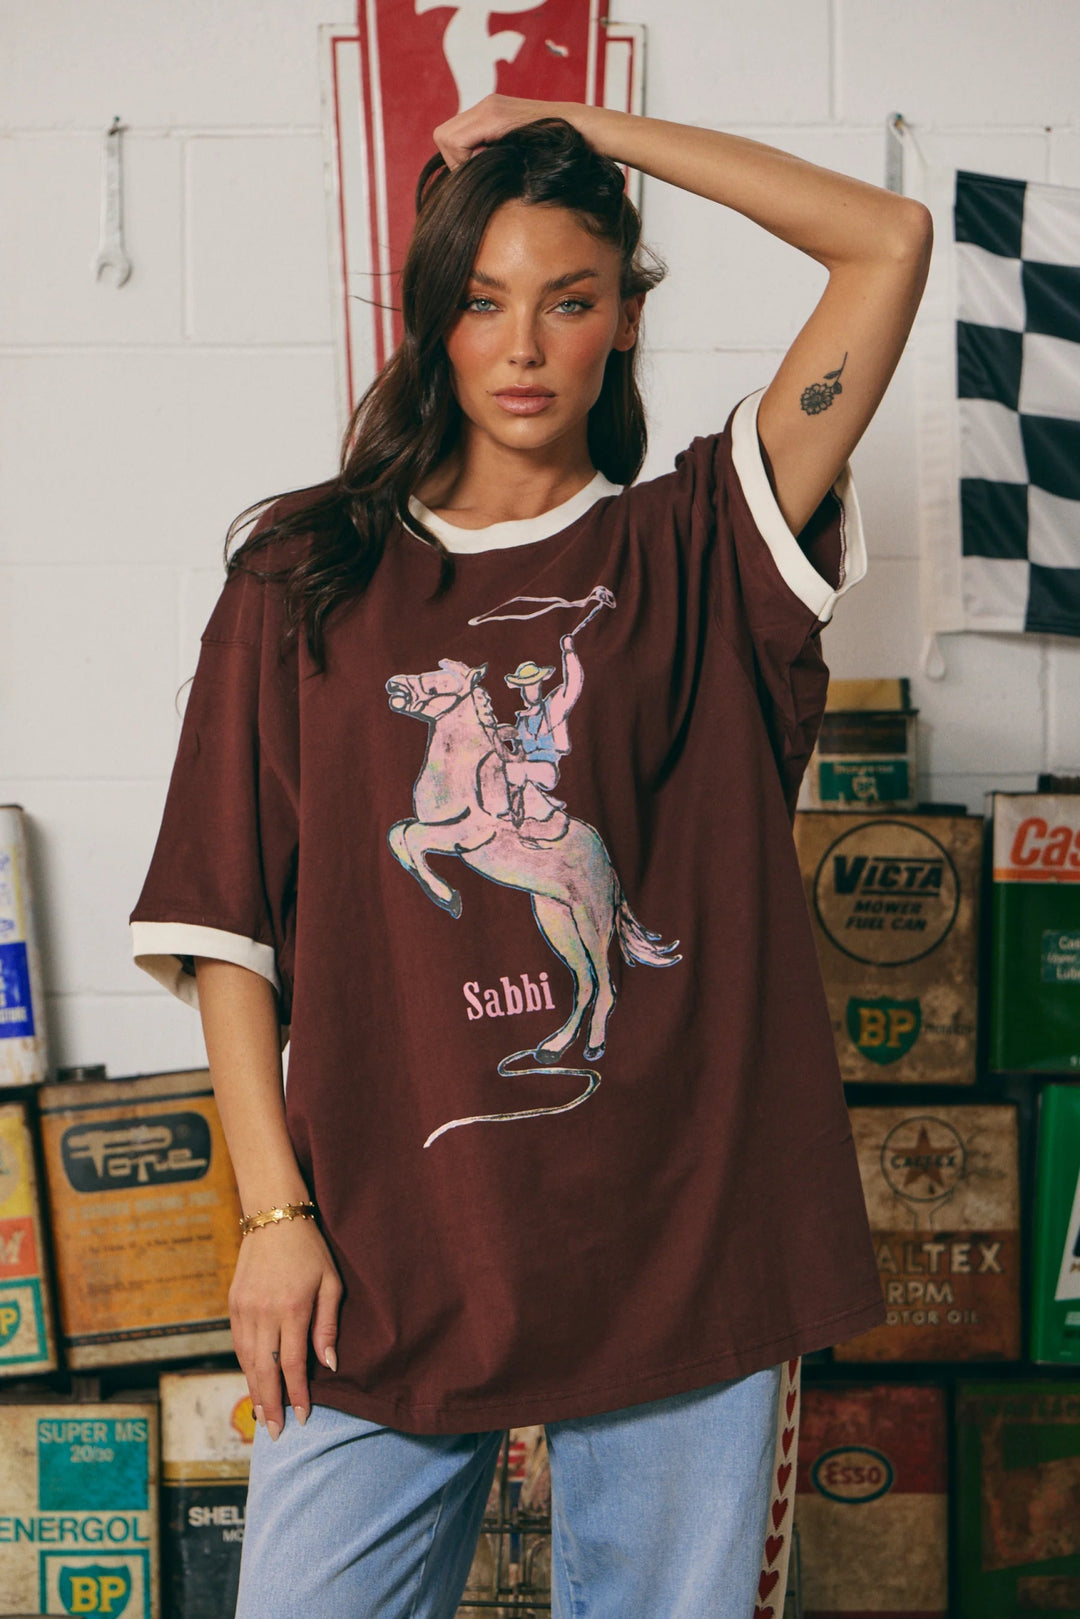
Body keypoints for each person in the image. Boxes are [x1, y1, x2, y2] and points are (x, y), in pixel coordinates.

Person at [129, 93, 931, 1618]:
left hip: (682, 1235)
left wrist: (589, 127)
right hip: (389, 1245)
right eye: (483, 300)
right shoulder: (306, 576)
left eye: (570, 300)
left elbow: (885, 239)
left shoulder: (701, 544)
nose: (522, 346)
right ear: (432, 318)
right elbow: (229, 925)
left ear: (623, 320)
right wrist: (275, 1222)